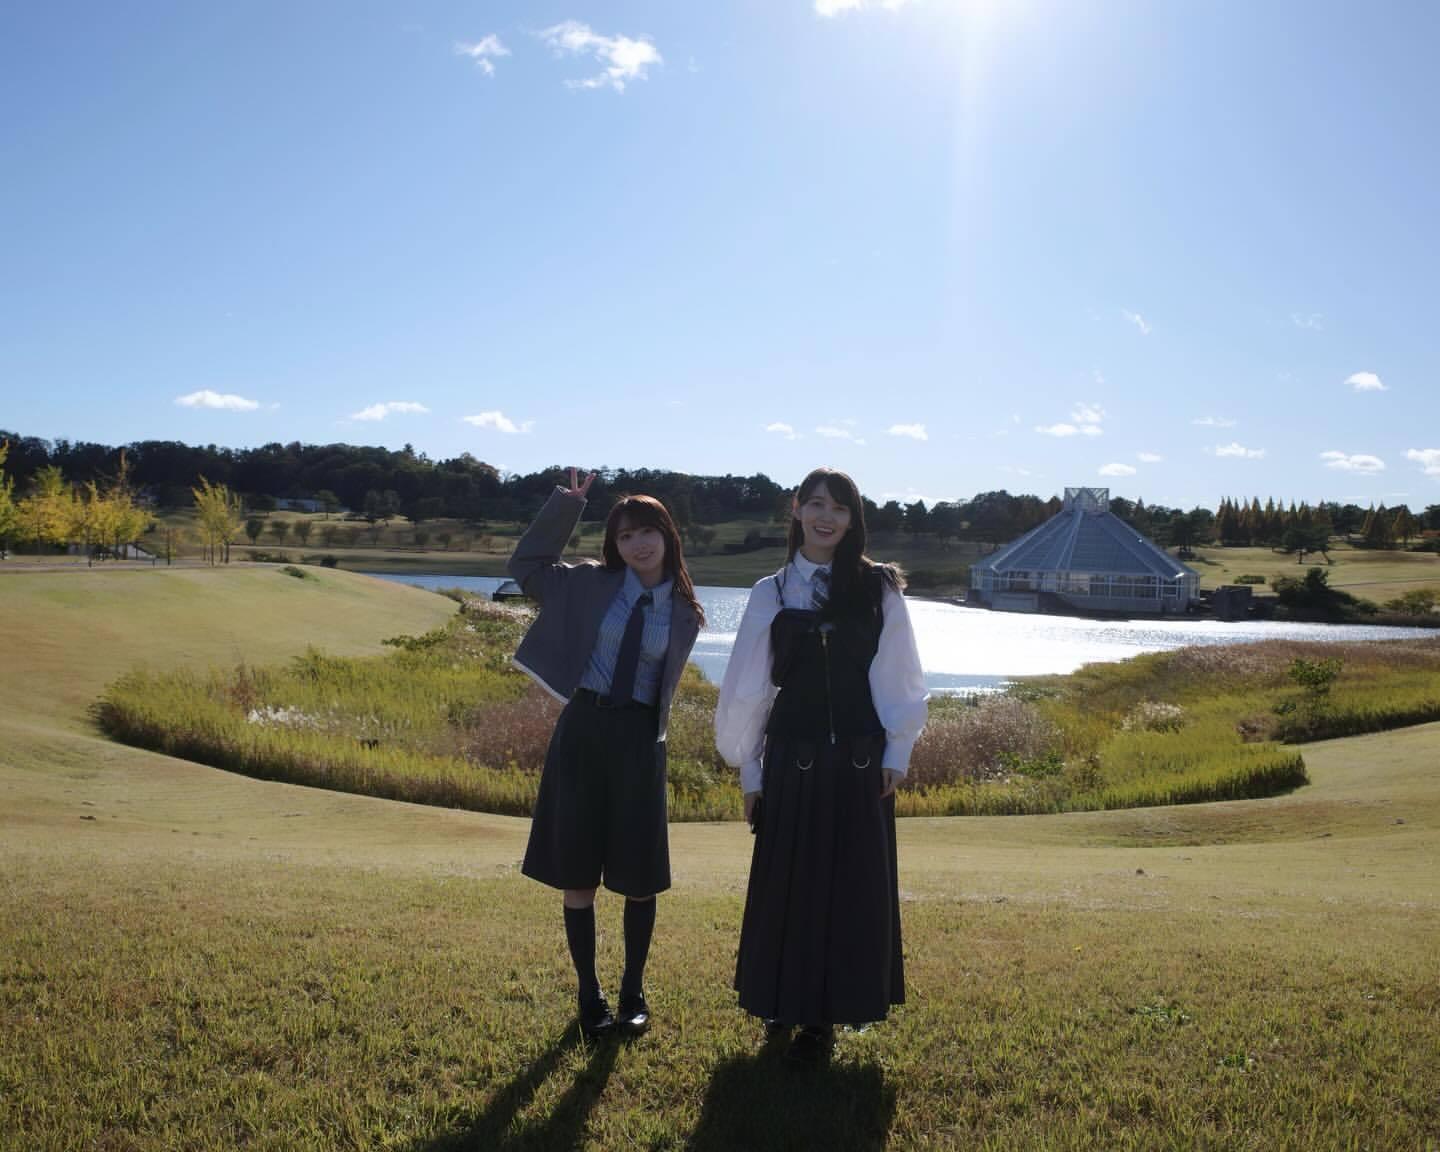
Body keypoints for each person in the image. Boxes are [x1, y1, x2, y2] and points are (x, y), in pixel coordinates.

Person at [715, 466, 928, 1062]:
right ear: (796, 510)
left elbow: (899, 673)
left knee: (847, 887)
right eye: (815, 504)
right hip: (792, 758)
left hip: (860, 760)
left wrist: (898, 750)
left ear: (853, 518)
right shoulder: (771, 591)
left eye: (838, 507)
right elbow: (749, 688)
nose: (826, 516)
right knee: (788, 886)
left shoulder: (878, 587)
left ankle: (823, 1020)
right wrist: (749, 770)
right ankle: (780, 1003)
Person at [509, 469, 704, 1039]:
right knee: (577, 872)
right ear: (614, 544)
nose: (638, 544)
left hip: (641, 741)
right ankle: (588, 991)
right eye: (625, 535)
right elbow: (526, 566)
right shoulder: (590, 583)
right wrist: (566, 507)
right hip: (584, 729)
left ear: (667, 536)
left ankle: (632, 990)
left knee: (640, 875)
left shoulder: (686, 612)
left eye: (647, 532)